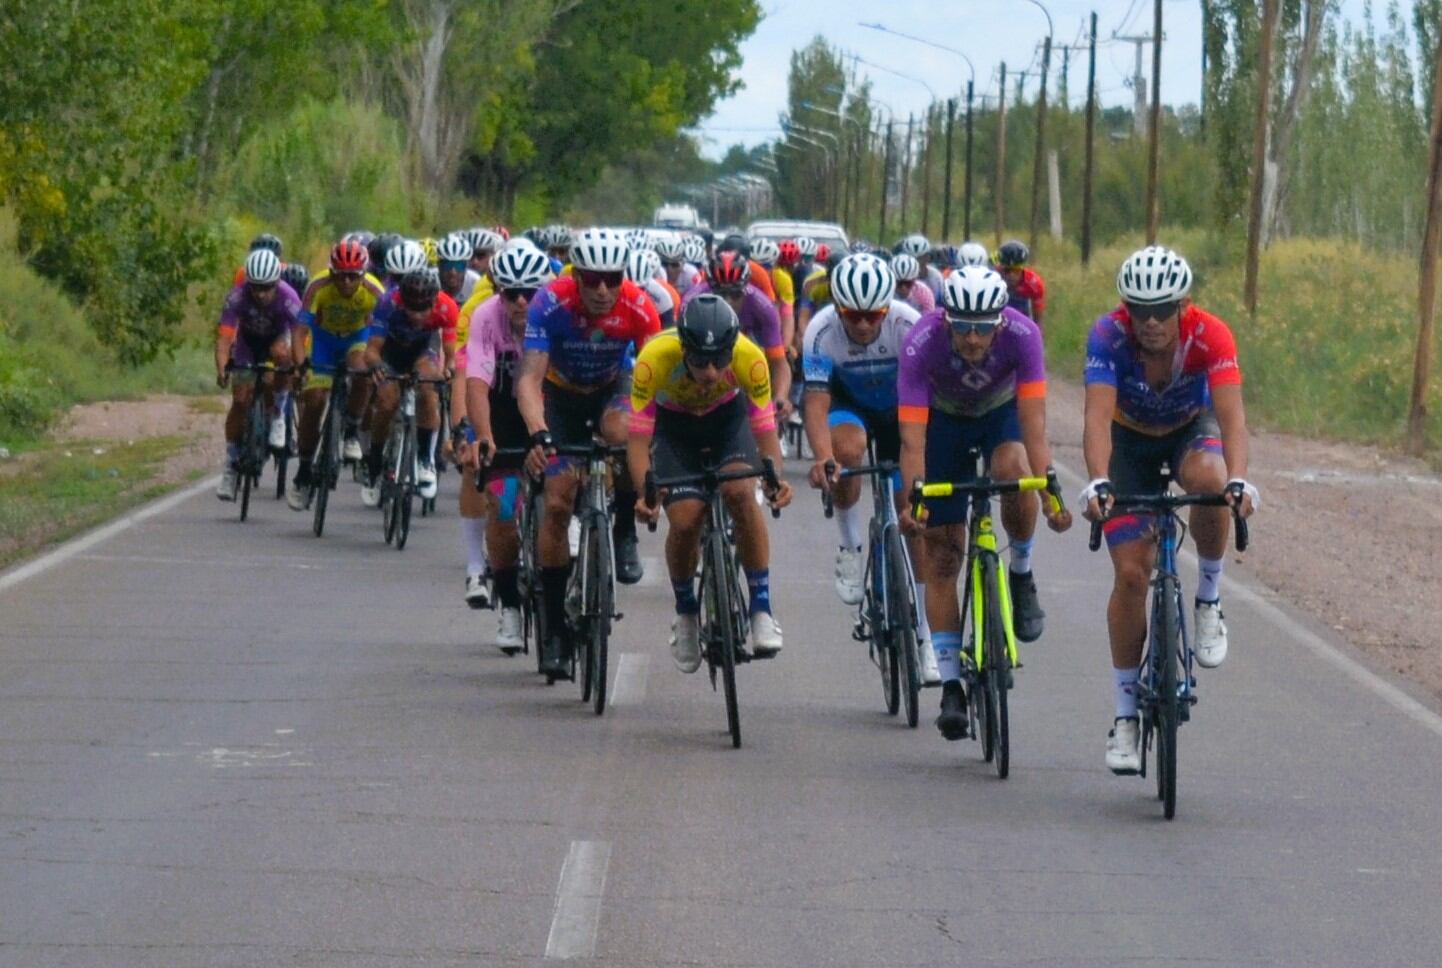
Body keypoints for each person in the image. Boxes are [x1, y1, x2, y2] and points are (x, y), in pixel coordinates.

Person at [1079, 245, 1256, 774]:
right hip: (1128, 443)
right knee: (1132, 574)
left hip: (1188, 431)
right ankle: (1126, 718)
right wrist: (1098, 482)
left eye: (1162, 310)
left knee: (1212, 480)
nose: (1151, 322)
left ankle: (1207, 599)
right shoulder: (1108, 336)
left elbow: (1232, 418)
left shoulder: (1211, 335)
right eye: (1139, 310)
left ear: (1185, 305)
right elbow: (1095, 420)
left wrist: (1240, 478)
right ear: (1125, 308)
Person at [898, 266, 1071, 740]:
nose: (973, 339)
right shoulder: (921, 341)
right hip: (944, 426)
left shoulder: (1024, 334)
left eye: (983, 327)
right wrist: (916, 499)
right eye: (963, 327)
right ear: (946, 319)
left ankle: (1020, 572)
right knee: (941, 556)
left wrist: (1051, 494)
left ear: (1000, 321)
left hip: (1000, 416)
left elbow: (1034, 427)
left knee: (1016, 469)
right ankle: (951, 685)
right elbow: (912, 440)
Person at [517, 227, 661, 678]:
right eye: (592, 279)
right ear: (575, 275)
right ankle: (555, 627)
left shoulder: (639, 306)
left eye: (612, 279)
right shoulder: (550, 302)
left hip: (612, 389)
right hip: (560, 396)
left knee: (621, 432)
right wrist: (539, 434)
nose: (602, 290)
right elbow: (529, 380)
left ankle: (622, 528)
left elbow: (655, 384)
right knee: (558, 500)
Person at [629, 295, 793, 669]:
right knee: (685, 520)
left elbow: (765, 433)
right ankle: (686, 613)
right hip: (675, 431)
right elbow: (638, 440)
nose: (711, 372)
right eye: (700, 361)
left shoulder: (750, 360)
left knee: (740, 491)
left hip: (727, 425)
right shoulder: (653, 360)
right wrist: (646, 494)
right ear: (683, 348)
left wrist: (773, 480)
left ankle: (762, 610)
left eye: (720, 360)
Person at [800, 254, 936, 680]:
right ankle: (849, 545)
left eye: (872, 315)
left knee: (913, 514)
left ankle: (928, 636)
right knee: (848, 450)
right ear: (838, 308)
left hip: (900, 412)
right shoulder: (820, 332)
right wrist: (824, 459)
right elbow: (817, 405)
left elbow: (929, 400)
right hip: (849, 407)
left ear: (888, 306)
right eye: (853, 316)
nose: (862, 326)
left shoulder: (908, 323)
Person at [460, 246, 553, 645]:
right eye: (511, 292)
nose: (520, 301)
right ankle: (511, 607)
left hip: (547, 407)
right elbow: (476, 383)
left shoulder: (553, 314)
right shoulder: (485, 317)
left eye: (529, 293)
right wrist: (483, 437)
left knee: (566, 486)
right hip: (501, 412)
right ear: (498, 291)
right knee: (501, 506)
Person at [287, 238, 386, 509]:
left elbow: (384, 332)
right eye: (340, 276)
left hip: (357, 337)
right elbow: (300, 332)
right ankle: (304, 469)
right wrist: (300, 363)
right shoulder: (318, 286)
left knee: (362, 370)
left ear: (363, 274)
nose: (346, 283)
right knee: (315, 400)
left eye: (353, 277)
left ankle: (351, 430)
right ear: (331, 272)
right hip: (325, 341)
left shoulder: (375, 291)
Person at [360, 268, 458, 507]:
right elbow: (371, 350)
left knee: (428, 388)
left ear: (434, 301)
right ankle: (374, 461)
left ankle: (425, 458)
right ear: (401, 299)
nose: (416, 315)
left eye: (423, 308)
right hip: (390, 353)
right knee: (386, 402)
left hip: (423, 351)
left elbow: (450, 354)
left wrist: (448, 372)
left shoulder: (447, 307)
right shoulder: (388, 303)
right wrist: (377, 367)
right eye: (411, 308)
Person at [214, 249, 302, 500]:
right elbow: (224, 337)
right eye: (256, 287)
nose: (261, 293)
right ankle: (231, 465)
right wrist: (222, 367)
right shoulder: (237, 298)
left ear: (277, 282)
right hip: (248, 344)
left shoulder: (288, 297)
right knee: (240, 400)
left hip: (278, 339)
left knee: (281, 357)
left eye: (267, 287)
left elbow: (299, 335)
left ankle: (277, 416)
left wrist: (299, 366)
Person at [681, 252, 792, 419]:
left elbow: (778, 362)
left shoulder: (763, 307)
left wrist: (780, 397)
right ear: (709, 288)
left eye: (735, 295)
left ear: (745, 288)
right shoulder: (691, 303)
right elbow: (679, 355)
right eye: (719, 294)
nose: (728, 302)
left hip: (746, 346)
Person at [995, 239, 1046, 327]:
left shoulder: (1034, 284)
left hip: (1022, 319)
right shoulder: (992, 279)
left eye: (1016, 270)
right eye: (1007, 270)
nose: (1011, 275)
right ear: (1000, 268)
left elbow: (1038, 319)